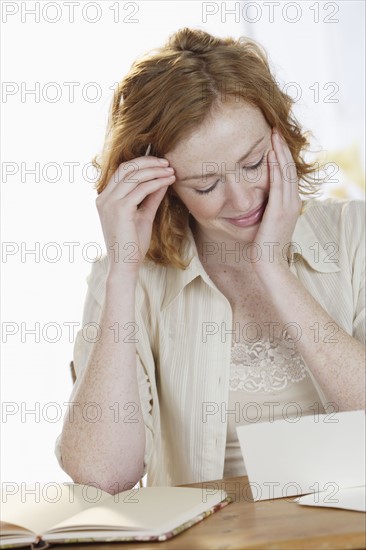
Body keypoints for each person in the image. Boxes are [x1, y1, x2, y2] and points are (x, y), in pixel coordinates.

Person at [55, 28, 365, 493]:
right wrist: (122, 271)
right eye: (205, 185)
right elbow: (103, 474)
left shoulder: (353, 235)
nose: (242, 199)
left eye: (254, 162)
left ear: (281, 136)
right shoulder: (131, 277)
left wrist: (273, 268)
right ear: (163, 187)